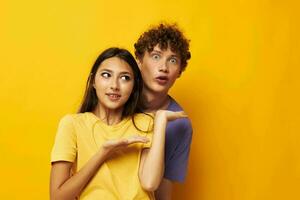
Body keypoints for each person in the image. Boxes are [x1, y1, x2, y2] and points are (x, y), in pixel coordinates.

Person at [50, 47, 186, 200]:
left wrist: (160, 122)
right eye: (106, 75)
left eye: (125, 78)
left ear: (134, 86)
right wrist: (103, 153)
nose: (114, 85)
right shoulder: (73, 124)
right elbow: (57, 197)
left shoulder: (145, 123)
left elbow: (150, 184)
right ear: (93, 81)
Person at [134, 23, 193, 199]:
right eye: (156, 56)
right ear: (139, 61)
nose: (163, 67)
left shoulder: (180, 125)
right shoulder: (115, 98)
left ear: (180, 71)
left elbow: (162, 188)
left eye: (173, 60)